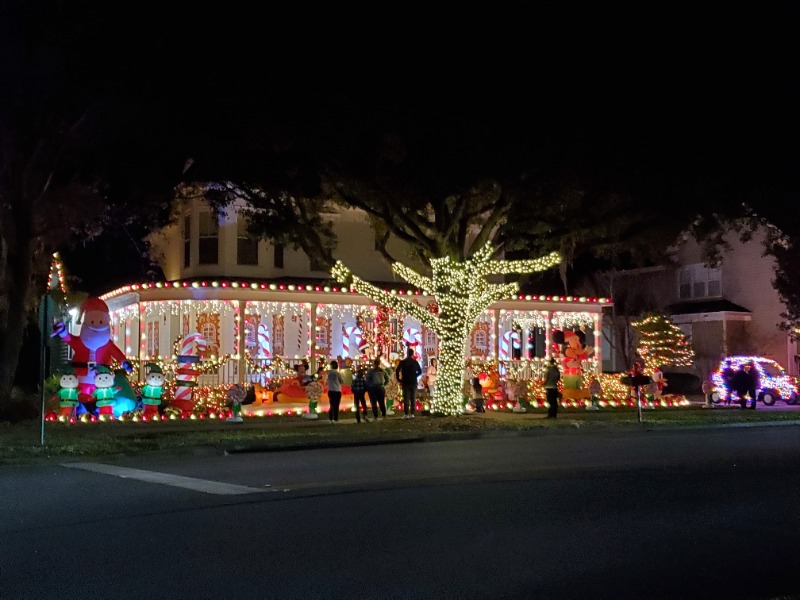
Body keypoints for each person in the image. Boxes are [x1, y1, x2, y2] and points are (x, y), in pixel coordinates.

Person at [396, 347, 422, 419]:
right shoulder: (415, 362)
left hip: (405, 381)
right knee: (413, 398)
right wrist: (415, 375)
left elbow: (397, 370)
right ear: (412, 354)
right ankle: (412, 413)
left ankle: (406, 413)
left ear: (407, 354)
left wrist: (399, 379)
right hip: (413, 382)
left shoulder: (403, 362)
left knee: (406, 398)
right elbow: (420, 371)